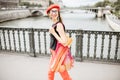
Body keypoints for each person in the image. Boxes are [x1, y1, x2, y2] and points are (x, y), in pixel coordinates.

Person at [46, 4, 73, 80]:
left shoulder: (59, 25)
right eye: (52, 11)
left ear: (58, 13)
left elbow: (64, 41)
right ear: (49, 14)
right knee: (51, 72)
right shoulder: (54, 24)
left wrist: (53, 33)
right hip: (54, 52)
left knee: (62, 74)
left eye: (56, 11)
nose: (54, 13)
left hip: (58, 53)